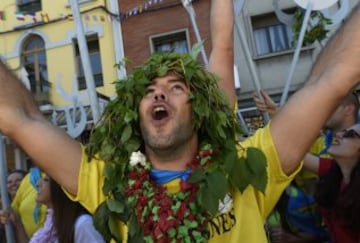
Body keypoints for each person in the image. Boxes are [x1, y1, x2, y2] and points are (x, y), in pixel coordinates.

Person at [0, 0, 360, 241]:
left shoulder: (246, 169)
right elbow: (22, 118)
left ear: (201, 109)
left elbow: (331, 78)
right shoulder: (110, 187)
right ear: (135, 116)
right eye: (150, 90)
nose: (159, 93)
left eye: (175, 87)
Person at [0, 175, 104, 243]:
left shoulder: (82, 224)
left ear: (61, 188)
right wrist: (17, 224)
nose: (38, 183)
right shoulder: (51, 223)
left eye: (46, 180)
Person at [303, 124, 360, 242]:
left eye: (349, 135)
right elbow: (295, 154)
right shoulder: (334, 170)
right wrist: (274, 113)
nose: (338, 134)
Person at [11, 167, 47, 238]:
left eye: (46, 180)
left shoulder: (62, 175)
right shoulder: (29, 177)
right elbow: (13, 211)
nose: (38, 183)